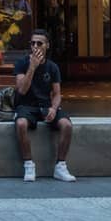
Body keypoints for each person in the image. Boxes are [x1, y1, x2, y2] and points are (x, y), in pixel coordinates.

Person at [14, 28, 74, 182]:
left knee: (66, 125)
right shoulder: (22, 63)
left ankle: (60, 166)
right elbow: (22, 89)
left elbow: (57, 93)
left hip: (46, 106)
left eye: (39, 43)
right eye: (32, 43)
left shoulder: (52, 67)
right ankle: (28, 164)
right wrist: (32, 67)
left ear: (47, 45)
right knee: (21, 124)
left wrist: (54, 108)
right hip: (26, 105)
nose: (35, 46)